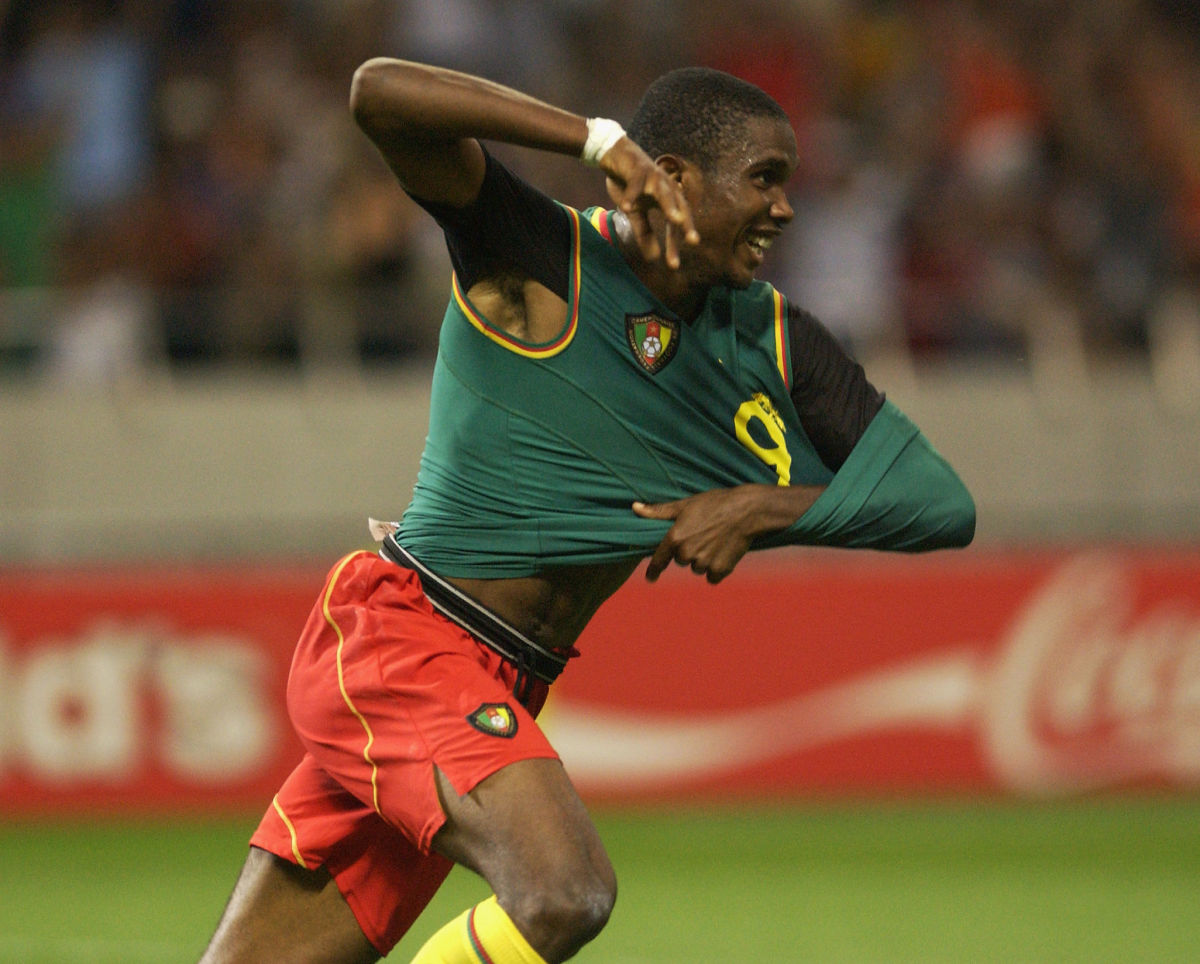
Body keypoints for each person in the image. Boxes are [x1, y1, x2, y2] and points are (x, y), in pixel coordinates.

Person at [199, 58, 975, 964]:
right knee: (565, 894)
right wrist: (595, 138)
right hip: (403, 644)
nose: (785, 208)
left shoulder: (772, 339)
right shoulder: (541, 256)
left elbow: (939, 502)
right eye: (764, 178)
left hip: (499, 683)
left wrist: (761, 507)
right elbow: (376, 94)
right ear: (675, 177)